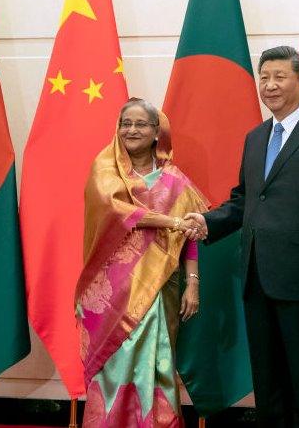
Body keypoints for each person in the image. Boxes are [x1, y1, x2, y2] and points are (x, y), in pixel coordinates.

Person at [183, 46, 299, 428]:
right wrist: (208, 222)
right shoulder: (256, 136)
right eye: (264, 77)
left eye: (279, 77)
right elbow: (247, 200)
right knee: (268, 378)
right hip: (257, 274)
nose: (270, 85)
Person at [75, 98, 207, 428]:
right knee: (114, 361)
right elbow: (123, 214)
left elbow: (190, 236)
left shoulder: (174, 179)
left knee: (157, 359)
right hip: (111, 291)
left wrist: (193, 282)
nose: (131, 130)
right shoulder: (106, 172)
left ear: (156, 133)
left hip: (160, 285)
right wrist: (173, 222)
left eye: (140, 124)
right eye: (125, 123)